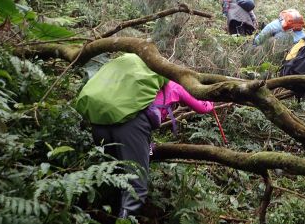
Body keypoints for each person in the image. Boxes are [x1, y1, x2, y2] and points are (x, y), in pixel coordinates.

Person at [76, 54, 214, 219]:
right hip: (131, 127)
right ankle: (124, 220)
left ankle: (87, 213)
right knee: (136, 187)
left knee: (115, 175)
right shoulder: (175, 84)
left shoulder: (132, 82)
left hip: (100, 124)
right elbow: (201, 106)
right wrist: (211, 101)